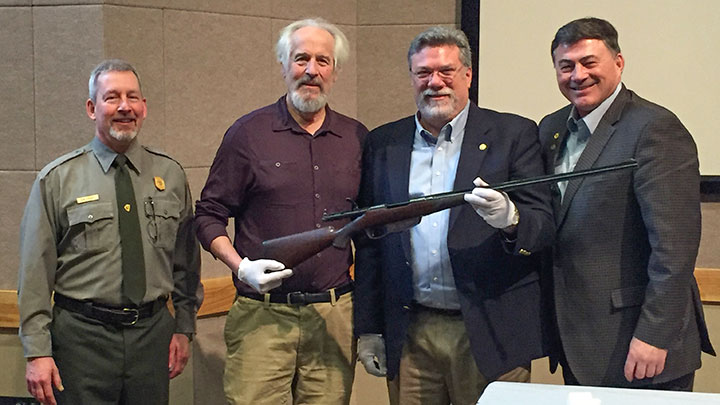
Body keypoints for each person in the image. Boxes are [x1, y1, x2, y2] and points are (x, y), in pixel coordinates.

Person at [353, 26, 554, 405]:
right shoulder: (383, 143)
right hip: (411, 332)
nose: (435, 83)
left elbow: (543, 226)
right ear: (411, 78)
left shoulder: (513, 134)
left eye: (446, 71)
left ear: (468, 75)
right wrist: (368, 329)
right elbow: (369, 242)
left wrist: (511, 218)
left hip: (488, 330)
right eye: (423, 73)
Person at [194, 18, 367, 405]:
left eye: (323, 61)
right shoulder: (248, 134)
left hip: (334, 317)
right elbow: (207, 215)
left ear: (335, 71)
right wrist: (240, 267)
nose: (311, 70)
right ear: (284, 66)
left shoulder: (357, 138)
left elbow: (369, 226)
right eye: (301, 58)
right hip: (262, 319)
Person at [539, 17, 715, 390]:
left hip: (641, 343)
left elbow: (675, 247)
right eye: (566, 66)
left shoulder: (654, 128)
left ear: (618, 63)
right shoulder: (550, 129)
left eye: (590, 62)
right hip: (579, 341)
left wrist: (655, 334)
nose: (577, 75)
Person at [18, 59, 202, 405]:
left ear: (144, 107)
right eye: (111, 97)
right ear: (92, 108)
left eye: (132, 97)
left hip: (152, 338)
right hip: (81, 340)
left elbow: (186, 262)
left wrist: (184, 327)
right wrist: (37, 352)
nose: (124, 107)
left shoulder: (171, 174)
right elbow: (34, 273)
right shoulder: (58, 178)